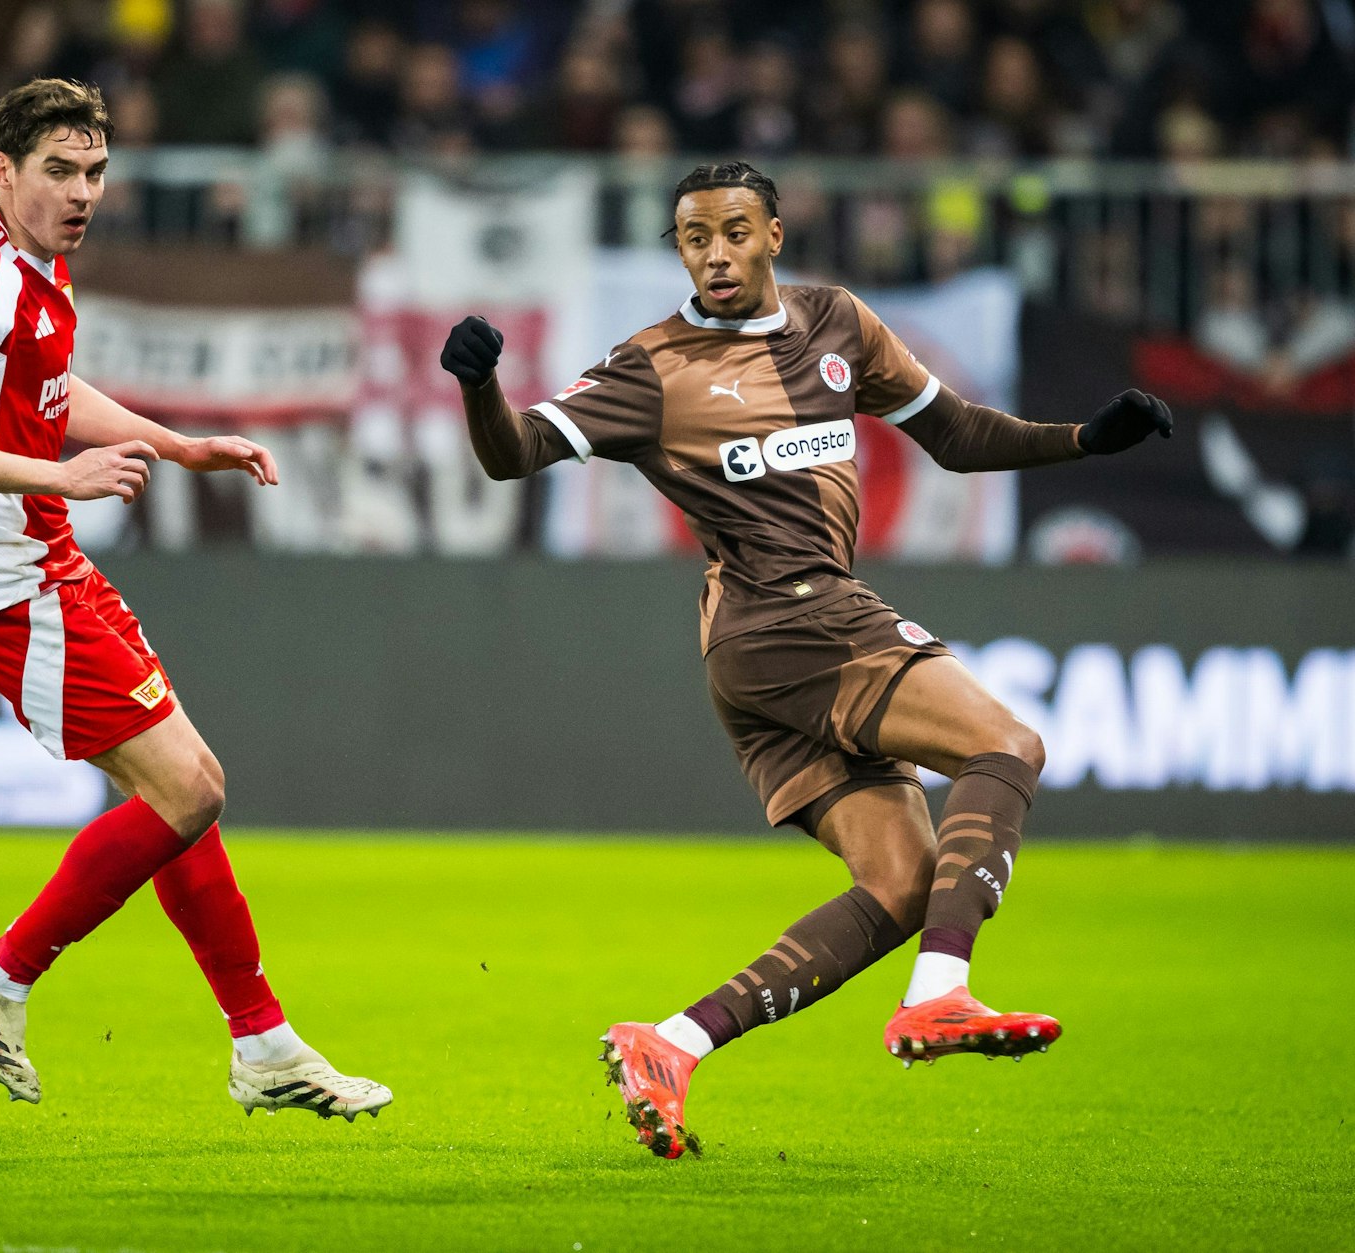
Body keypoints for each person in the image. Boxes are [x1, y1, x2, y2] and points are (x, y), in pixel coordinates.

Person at [439, 161, 1171, 1159]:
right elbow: (512, 452)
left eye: (734, 231)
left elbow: (956, 435)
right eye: (694, 238)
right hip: (793, 619)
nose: (715, 254)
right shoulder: (652, 366)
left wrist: (1082, 439)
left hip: (760, 651)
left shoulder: (836, 324)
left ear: (773, 235)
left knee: (902, 882)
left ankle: (673, 1042)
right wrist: (480, 385)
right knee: (1005, 744)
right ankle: (941, 993)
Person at [0, 78, 390, 1120]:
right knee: (189, 790)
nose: (82, 192)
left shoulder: (37, 265)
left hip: (44, 556)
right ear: (3, 171)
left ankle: (264, 1044)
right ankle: (1, 972)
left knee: (183, 795)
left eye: (95, 171)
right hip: (2, 581)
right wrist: (62, 477)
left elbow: (44, 391)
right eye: (59, 170)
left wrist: (175, 442)